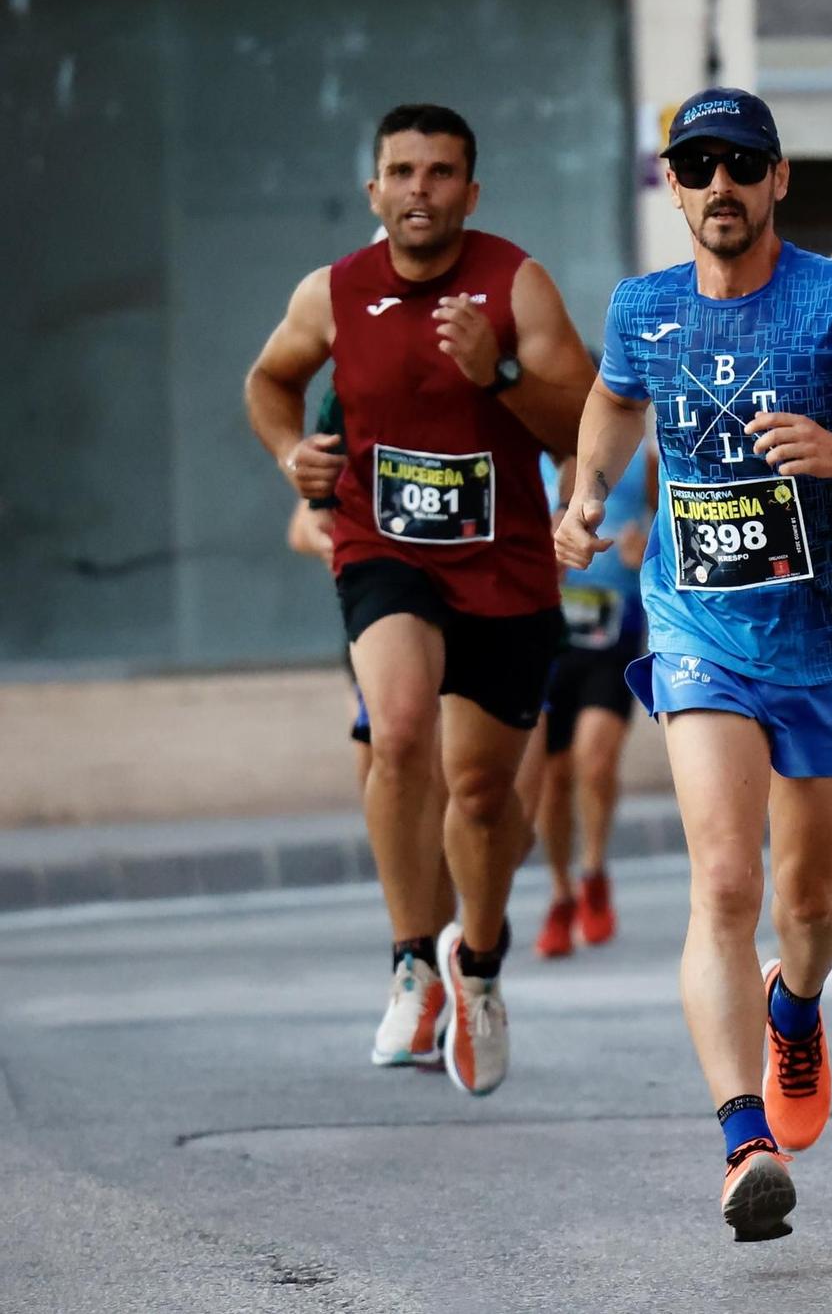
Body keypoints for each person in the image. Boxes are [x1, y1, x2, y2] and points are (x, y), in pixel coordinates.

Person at [554, 88, 832, 1243]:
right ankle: (744, 1143)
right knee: (726, 881)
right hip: (698, 633)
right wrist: (588, 491)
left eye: (742, 162)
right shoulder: (643, 307)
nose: (720, 184)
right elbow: (609, 399)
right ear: (675, 184)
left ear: (777, 178)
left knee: (806, 899)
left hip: (830, 640)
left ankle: (797, 1003)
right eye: (698, 165)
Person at [246, 103, 597, 1097]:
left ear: (469, 193)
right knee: (398, 732)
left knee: (485, 798)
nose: (419, 190)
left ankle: (475, 966)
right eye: (401, 172)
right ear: (374, 190)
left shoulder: (513, 281)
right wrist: (288, 451)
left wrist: (502, 370)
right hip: (381, 550)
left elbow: (583, 424)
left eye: (441, 173)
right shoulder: (334, 290)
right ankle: (411, 958)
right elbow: (269, 381)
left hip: (506, 567)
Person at [533, 443, 657, 958]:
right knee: (553, 775)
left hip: (613, 630)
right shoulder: (530, 453)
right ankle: (561, 891)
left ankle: (594, 871)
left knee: (595, 759)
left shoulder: (638, 457)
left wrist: (645, 549)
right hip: (545, 634)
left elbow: (669, 523)